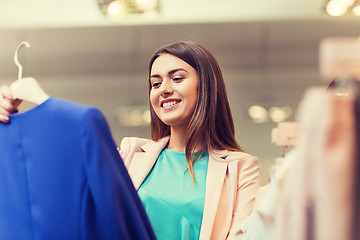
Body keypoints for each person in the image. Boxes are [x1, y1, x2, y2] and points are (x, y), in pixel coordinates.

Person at [0, 41, 261, 239]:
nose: (164, 89)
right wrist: (11, 121)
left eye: (177, 78)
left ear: (207, 85)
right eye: (155, 83)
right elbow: (58, 175)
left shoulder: (241, 167)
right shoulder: (129, 153)